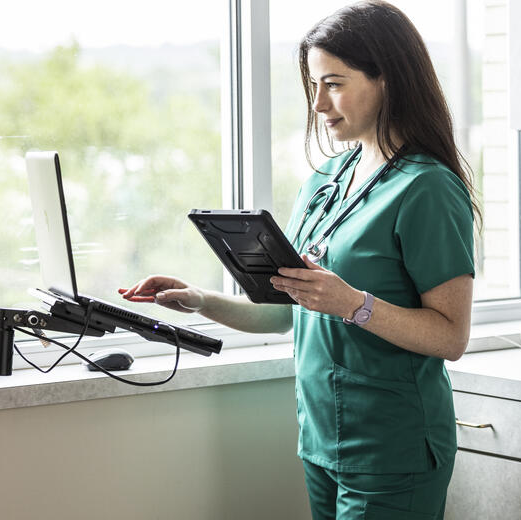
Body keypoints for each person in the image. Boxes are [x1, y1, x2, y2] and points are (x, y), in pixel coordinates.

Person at [119, 2, 480, 518]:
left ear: (387, 80)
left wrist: (353, 304)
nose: (318, 104)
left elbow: (451, 336)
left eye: (333, 83)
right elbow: (288, 311)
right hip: (321, 441)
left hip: (392, 449)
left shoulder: (427, 188)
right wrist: (199, 300)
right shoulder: (324, 181)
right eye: (313, 85)